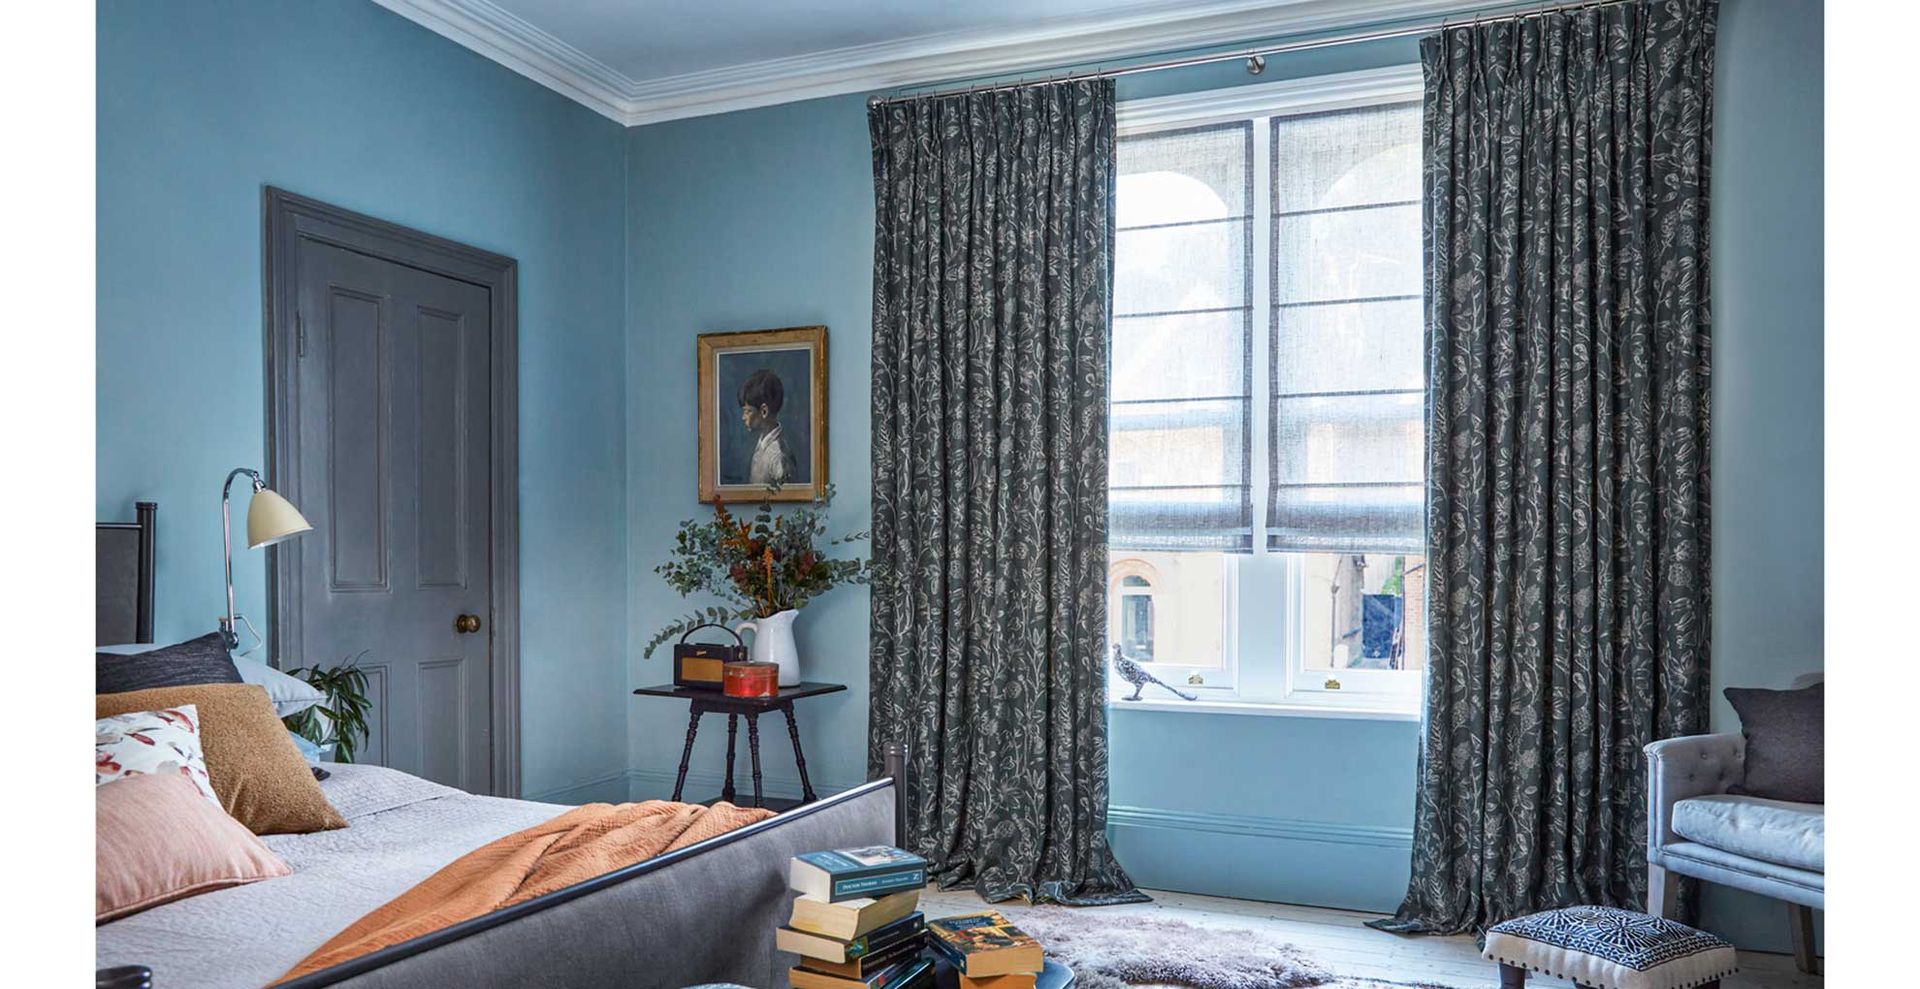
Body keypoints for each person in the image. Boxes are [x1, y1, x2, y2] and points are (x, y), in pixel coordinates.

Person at [738, 369, 797, 485]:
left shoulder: (779, 457)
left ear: (764, 411)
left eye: (747, 411)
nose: (743, 417)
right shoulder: (762, 445)